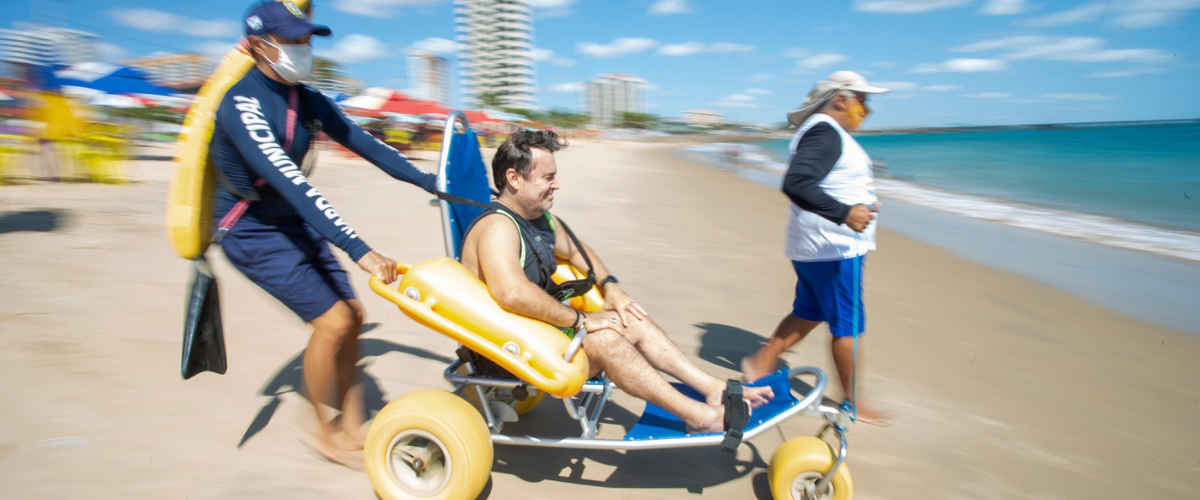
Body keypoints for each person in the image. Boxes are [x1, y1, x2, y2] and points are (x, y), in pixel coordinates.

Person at [210, 1, 437, 465]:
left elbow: (369, 145)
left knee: (352, 313)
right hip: (249, 228)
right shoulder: (241, 104)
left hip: (290, 219)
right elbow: (292, 185)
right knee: (331, 322)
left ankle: (350, 424)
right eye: (292, 41)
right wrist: (360, 249)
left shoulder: (305, 98)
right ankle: (320, 429)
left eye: (306, 40)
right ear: (259, 46)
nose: (303, 48)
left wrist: (439, 185)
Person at [458, 130, 774, 434]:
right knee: (607, 339)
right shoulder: (498, 227)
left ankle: (713, 388)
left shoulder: (537, 220)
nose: (557, 185)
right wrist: (582, 320)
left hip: (538, 336)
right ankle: (699, 417)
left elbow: (581, 252)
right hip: (506, 353)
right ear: (514, 179)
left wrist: (612, 288)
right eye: (548, 177)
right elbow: (511, 293)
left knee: (630, 316)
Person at [740, 71, 892, 425]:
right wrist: (845, 213)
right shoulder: (825, 131)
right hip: (835, 250)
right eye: (862, 100)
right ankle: (852, 401)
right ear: (841, 99)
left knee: (809, 310)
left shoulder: (823, 132)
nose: (866, 109)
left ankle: (762, 360)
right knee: (847, 326)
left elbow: (822, 181)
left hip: (815, 245)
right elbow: (796, 182)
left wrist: (861, 204)